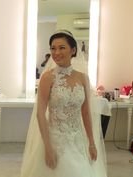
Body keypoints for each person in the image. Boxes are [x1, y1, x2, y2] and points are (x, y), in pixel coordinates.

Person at [20, 30, 107, 177]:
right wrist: (48, 148)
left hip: (78, 140)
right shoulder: (47, 78)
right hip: (55, 140)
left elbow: (85, 112)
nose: (56, 52)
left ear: (73, 50)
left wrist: (91, 143)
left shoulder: (83, 78)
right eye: (53, 48)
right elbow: (40, 114)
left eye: (62, 48)